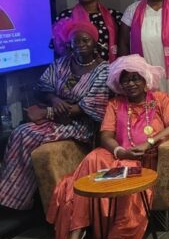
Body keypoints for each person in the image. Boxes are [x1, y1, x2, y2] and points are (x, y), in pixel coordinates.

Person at [47, 55, 169, 239]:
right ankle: (77, 230)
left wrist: (148, 143)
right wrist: (119, 150)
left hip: (144, 158)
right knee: (93, 158)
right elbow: (106, 136)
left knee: (128, 168)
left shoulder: (161, 99)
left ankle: (119, 237)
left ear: (145, 80)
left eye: (135, 78)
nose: (130, 83)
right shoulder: (115, 104)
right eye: (125, 80)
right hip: (118, 153)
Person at [0, 21, 109, 210]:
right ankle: (10, 195)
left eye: (85, 40)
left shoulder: (104, 69)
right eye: (76, 42)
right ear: (70, 44)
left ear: (94, 42)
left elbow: (86, 107)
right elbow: (43, 88)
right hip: (56, 118)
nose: (80, 45)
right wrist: (54, 99)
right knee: (18, 133)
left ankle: (14, 199)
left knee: (28, 135)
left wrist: (46, 112)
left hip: (80, 124)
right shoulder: (62, 63)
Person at [53, 0, 123, 61]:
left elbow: (124, 44)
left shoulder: (114, 15)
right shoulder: (66, 16)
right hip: (77, 67)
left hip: (112, 66)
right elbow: (58, 47)